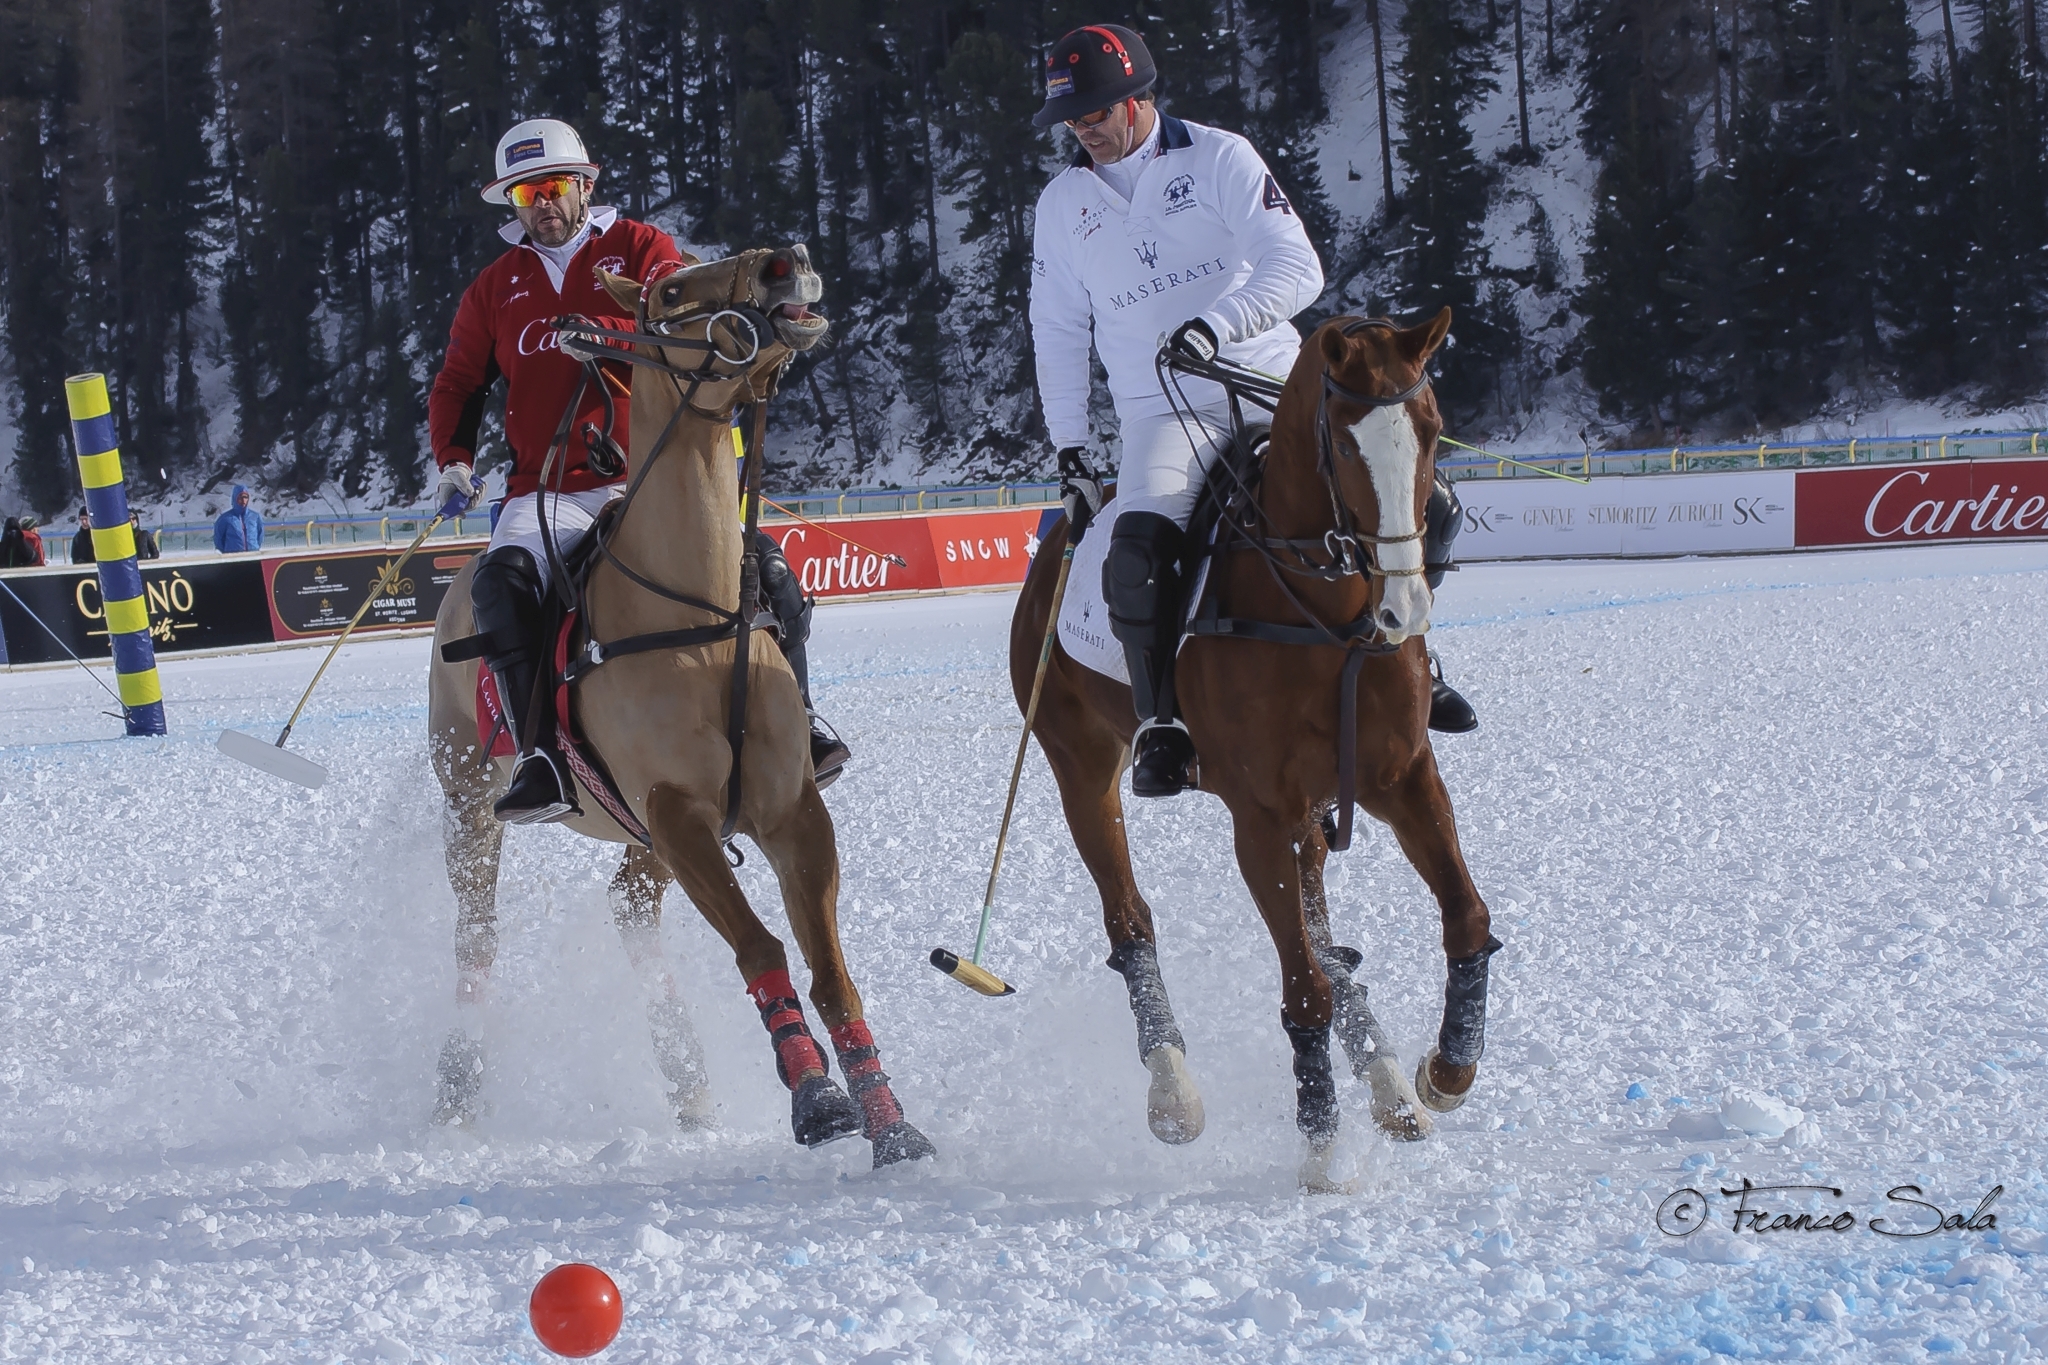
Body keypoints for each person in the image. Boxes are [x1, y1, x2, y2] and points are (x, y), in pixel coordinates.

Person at [1027, 23, 1477, 798]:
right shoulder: (1063, 204)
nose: (1085, 127)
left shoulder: (1219, 156)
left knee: (1430, 507)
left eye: (1098, 109)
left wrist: (1216, 326)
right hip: (1162, 414)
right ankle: (1163, 719)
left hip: (1275, 387)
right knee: (1136, 550)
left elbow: (1295, 263)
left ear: (1139, 97)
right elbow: (1058, 329)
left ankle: (1414, 662)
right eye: (1074, 117)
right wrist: (1071, 444)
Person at [429, 118, 847, 825]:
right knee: (500, 583)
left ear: (586, 185)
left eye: (556, 187)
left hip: (650, 475)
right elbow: (458, 382)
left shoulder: (640, 248)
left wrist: (605, 335)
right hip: (549, 492)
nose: (543, 204)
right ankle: (540, 757)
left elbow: (677, 316)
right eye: (526, 193)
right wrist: (454, 460)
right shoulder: (494, 289)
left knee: (767, 566)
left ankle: (802, 720)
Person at [212, 486, 264, 553]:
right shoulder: (225, 519)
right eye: (240, 497)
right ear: (235, 498)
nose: (243, 500)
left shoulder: (255, 517)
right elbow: (218, 539)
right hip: (233, 557)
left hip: (253, 555)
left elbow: (260, 536)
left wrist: (254, 548)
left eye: (245, 497)